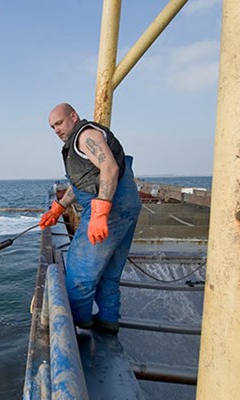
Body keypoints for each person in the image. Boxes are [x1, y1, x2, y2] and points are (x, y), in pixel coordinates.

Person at [39, 103, 142, 335]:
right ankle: (107, 321)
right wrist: (58, 208)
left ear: (73, 116)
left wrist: (100, 213)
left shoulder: (85, 136)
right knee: (109, 272)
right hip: (128, 207)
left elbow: (109, 168)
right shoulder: (79, 144)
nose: (56, 130)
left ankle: (78, 325)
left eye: (59, 123)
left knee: (78, 273)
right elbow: (85, 181)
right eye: (52, 127)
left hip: (110, 210)